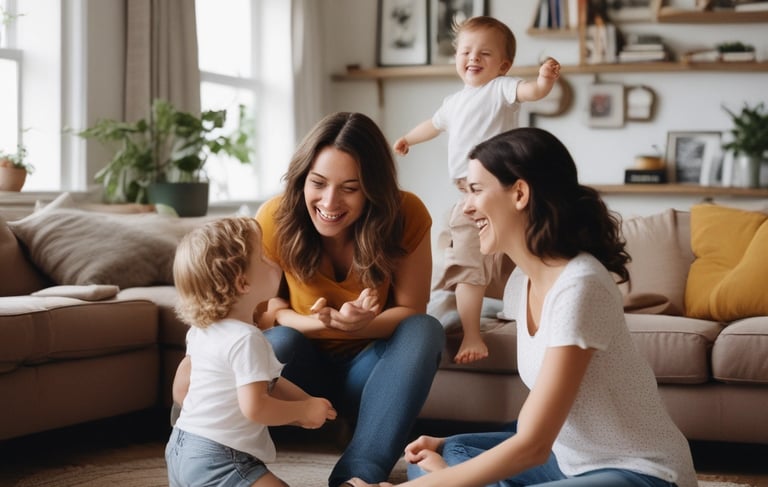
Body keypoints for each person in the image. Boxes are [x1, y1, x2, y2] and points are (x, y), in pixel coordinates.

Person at [348, 127, 698, 487]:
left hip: (640, 471)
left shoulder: (580, 286)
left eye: (476, 190)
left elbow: (531, 445)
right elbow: (533, 431)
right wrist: (447, 447)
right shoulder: (521, 283)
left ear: (519, 193)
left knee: (440, 475)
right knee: (432, 457)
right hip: (564, 459)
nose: (466, 207)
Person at [254, 111, 445, 487]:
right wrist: (310, 321)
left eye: (350, 188)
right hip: (300, 378)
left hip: (369, 374)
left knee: (426, 329)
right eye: (318, 183)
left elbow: (412, 310)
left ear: (372, 189)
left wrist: (362, 324)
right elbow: (261, 312)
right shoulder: (275, 217)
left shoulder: (406, 213)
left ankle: (358, 475)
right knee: (279, 339)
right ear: (302, 179)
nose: (329, 201)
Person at [392, 16, 561, 365]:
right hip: (469, 194)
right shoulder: (453, 102)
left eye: (484, 53)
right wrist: (408, 137)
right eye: (466, 51)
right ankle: (472, 333)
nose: (473, 58)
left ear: (504, 65)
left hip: (506, 187)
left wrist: (544, 82)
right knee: (469, 265)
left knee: (534, 251)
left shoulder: (501, 89)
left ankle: (548, 313)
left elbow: (530, 92)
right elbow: (433, 125)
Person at [165, 217, 338, 487]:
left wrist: (307, 404)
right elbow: (256, 406)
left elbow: (183, 389)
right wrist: (302, 411)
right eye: (263, 257)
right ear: (243, 283)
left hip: (181, 446)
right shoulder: (247, 338)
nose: (274, 262)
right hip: (221, 457)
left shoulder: (202, 330)